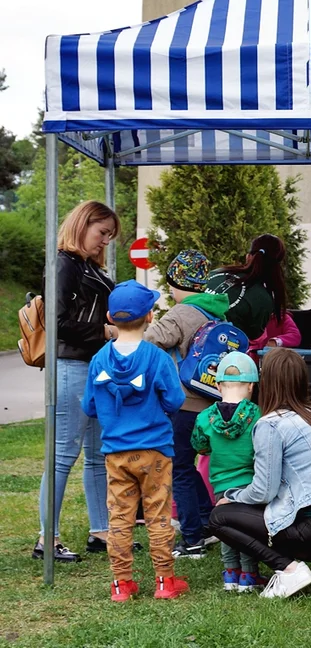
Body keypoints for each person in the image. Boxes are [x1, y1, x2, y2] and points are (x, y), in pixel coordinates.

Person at [207, 349, 311, 599]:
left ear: (265, 383)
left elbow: (263, 491)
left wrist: (232, 496)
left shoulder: (271, 424)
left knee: (219, 517)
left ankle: (289, 570)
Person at [81, 280, 189, 601]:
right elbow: (174, 400)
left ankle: (121, 585)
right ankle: (165, 582)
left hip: (116, 453)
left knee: (119, 518)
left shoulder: (99, 360)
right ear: (151, 317)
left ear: (110, 317)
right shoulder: (156, 359)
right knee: (157, 516)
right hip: (154, 451)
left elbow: (88, 406)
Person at [33, 201, 119, 563]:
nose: (105, 242)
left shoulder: (84, 265)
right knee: (63, 453)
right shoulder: (63, 263)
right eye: (102, 233)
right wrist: (104, 329)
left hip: (95, 366)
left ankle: (101, 532)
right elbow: (56, 321)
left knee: (98, 455)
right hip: (71, 364)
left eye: (110, 237)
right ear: (83, 224)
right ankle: (46, 540)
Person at [143, 249, 230, 559]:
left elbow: (150, 341)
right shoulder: (216, 313)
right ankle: (206, 525)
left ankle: (191, 539)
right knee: (189, 467)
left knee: (178, 468)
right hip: (211, 404)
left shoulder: (181, 313)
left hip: (184, 405)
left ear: (177, 284)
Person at [191, 352, 268, 592]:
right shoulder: (257, 414)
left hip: (220, 484)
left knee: (225, 527)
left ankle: (230, 574)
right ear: (251, 386)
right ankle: (249, 574)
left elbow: (199, 446)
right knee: (246, 528)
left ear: (217, 384)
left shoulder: (205, 417)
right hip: (249, 483)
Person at [205, 234, 288, 342]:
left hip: (184, 341)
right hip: (221, 352)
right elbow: (252, 337)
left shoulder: (215, 273)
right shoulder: (263, 299)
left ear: (248, 256)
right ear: (277, 266)